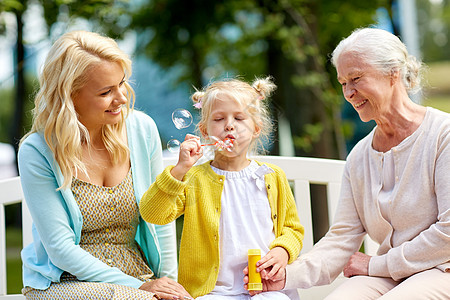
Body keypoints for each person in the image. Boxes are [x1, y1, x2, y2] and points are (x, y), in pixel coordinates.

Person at [244, 27, 450, 299]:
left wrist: (376, 264)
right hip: (387, 275)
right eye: (343, 83)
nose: (349, 93)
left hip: (440, 269)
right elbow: (341, 240)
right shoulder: (361, 155)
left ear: (393, 73)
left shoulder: (442, 135)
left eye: (356, 78)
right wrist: (286, 276)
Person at [18, 30, 192, 300]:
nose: (121, 98)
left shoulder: (142, 129)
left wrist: (168, 283)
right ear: (70, 96)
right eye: (105, 91)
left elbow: (161, 218)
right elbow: (60, 249)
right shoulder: (37, 150)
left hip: (137, 275)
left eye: (121, 83)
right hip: (64, 282)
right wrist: (140, 289)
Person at [139, 77, 304, 299]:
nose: (229, 125)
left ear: (256, 128)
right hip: (213, 291)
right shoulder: (193, 178)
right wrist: (179, 170)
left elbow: (292, 229)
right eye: (218, 118)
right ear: (204, 130)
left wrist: (282, 251)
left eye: (239, 117)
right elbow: (152, 213)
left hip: (265, 287)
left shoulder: (272, 177)